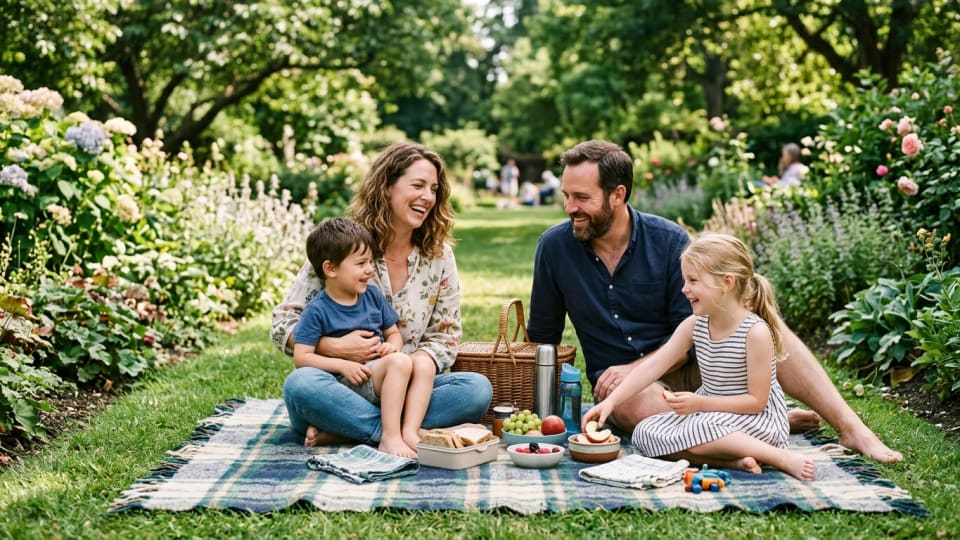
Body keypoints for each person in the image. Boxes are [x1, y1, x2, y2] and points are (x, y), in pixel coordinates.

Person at [527, 139, 902, 463]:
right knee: (636, 407)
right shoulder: (555, 248)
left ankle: (852, 429)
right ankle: (756, 430)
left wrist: (641, 366)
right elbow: (543, 338)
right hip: (628, 389)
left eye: (581, 197)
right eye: (566, 196)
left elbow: (695, 328)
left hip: (694, 367)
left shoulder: (669, 240)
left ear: (618, 194)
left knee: (765, 327)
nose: (570, 207)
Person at [273, 142, 493, 450]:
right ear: (386, 187)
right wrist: (332, 348)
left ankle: (349, 430)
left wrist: (411, 363)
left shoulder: (439, 256)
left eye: (433, 189)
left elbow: (447, 337)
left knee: (475, 389)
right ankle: (394, 432)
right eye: (417, 185)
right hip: (338, 388)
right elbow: (283, 323)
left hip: (408, 388)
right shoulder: (343, 244)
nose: (427, 197)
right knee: (300, 385)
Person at [584, 233, 814, 480]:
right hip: (711, 415)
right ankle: (736, 462)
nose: (684, 289)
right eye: (685, 280)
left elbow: (755, 402)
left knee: (702, 428)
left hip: (755, 420)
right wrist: (611, 401)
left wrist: (699, 404)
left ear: (727, 282)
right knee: (645, 432)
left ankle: (778, 457)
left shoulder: (755, 332)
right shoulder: (695, 325)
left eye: (693, 280)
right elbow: (654, 366)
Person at [292, 217, 431, 457]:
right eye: (360, 263)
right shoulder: (317, 309)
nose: (369, 269)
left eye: (370, 262)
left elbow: (393, 333)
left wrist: (393, 346)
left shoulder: (372, 297)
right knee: (300, 383)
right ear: (330, 269)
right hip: (338, 391)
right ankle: (389, 436)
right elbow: (302, 358)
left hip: (378, 382)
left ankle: (356, 430)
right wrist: (342, 365)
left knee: (461, 384)